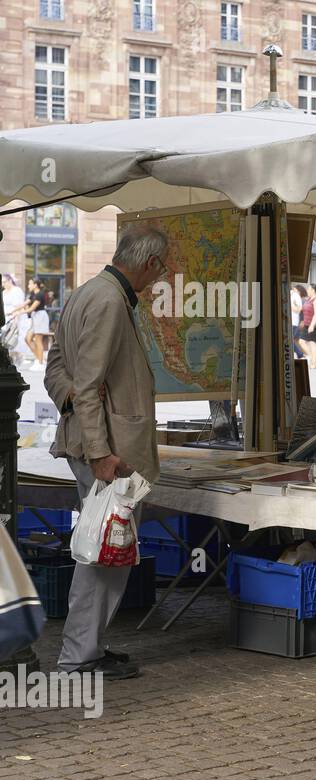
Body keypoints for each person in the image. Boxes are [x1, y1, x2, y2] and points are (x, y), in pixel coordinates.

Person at [43, 225, 170, 680]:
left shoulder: (85, 293)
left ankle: (87, 647)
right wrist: (99, 450)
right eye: (160, 270)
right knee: (104, 553)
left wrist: (73, 404)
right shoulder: (110, 300)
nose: (159, 279)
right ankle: (80, 657)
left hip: (98, 444)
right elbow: (89, 383)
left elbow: (57, 371)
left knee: (103, 550)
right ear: (149, 263)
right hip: (109, 451)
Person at [298, 283, 316, 369]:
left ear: (313, 290)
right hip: (306, 324)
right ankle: (313, 358)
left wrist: (312, 325)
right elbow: (303, 310)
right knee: (301, 341)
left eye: (308, 289)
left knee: (312, 342)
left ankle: (314, 362)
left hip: (315, 324)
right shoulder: (309, 300)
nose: (307, 291)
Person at [290, 283, 305, 359]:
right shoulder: (291, 294)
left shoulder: (296, 296)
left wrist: (290, 304)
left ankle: (300, 354)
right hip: (290, 321)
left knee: (289, 339)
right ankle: (299, 354)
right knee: (290, 339)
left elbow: (298, 309)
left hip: (293, 322)